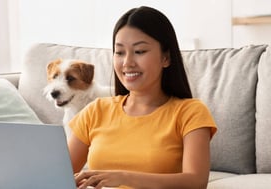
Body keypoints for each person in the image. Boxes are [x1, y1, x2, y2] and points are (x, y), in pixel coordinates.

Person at [67, 6, 217, 189]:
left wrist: (123, 178)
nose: (127, 63)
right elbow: (57, 175)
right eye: (120, 52)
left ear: (166, 58)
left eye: (139, 51)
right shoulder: (96, 110)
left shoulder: (190, 112)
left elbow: (196, 182)